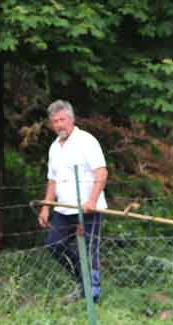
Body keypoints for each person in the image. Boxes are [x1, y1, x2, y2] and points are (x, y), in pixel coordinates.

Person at [36, 99, 107, 303]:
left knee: (90, 250)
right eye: (55, 121)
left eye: (62, 120)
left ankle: (93, 295)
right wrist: (46, 208)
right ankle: (83, 282)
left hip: (88, 208)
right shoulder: (54, 147)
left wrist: (92, 201)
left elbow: (101, 172)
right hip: (63, 209)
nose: (59, 125)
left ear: (71, 119)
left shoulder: (86, 141)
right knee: (54, 245)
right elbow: (52, 180)